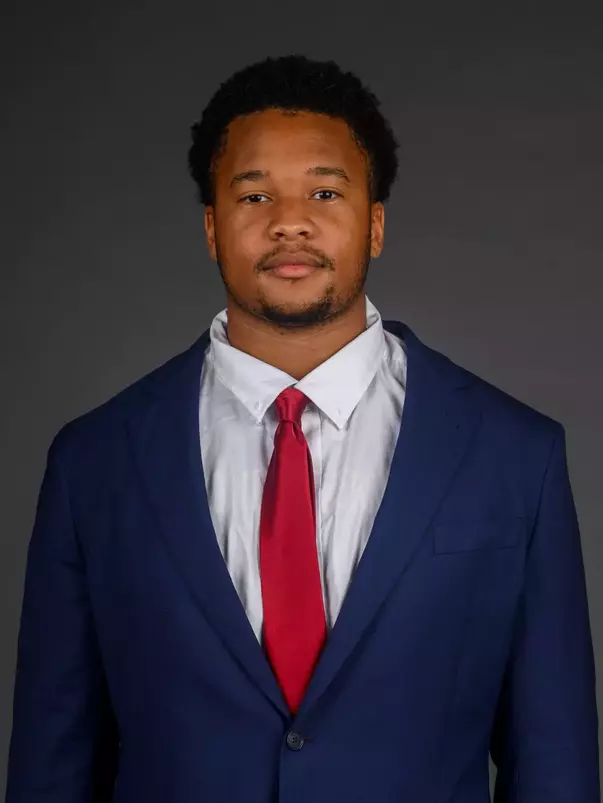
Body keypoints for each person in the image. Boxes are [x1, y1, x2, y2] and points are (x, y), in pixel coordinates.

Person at [5, 54, 599, 803]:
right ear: (212, 227)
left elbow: (554, 763)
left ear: (374, 224)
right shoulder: (94, 462)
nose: (289, 221)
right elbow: (52, 761)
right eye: (254, 195)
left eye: (324, 191)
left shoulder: (514, 454)